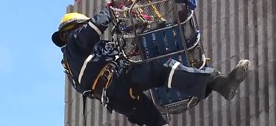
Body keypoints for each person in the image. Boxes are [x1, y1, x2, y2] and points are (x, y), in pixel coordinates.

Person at [51, 8, 250, 126]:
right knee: (161, 70)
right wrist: (111, 10)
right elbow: (96, 25)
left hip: (118, 100)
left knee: (154, 122)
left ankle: (217, 83)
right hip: (118, 83)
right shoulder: (74, 44)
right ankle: (218, 82)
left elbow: (120, 53)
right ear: (74, 29)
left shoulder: (78, 62)